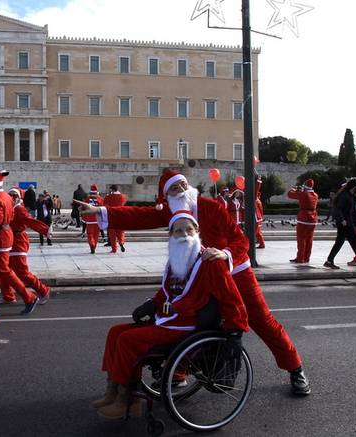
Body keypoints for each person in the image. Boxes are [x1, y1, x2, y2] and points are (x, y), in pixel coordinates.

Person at [78, 169, 311, 395]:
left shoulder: (212, 207)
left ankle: (295, 368)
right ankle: (177, 373)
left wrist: (225, 254)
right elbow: (138, 215)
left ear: (189, 187)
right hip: (199, 276)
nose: (179, 190)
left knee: (262, 319)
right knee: (190, 320)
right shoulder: (171, 212)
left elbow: (241, 241)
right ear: (166, 196)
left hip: (236, 272)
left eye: (182, 185)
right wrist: (99, 210)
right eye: (172, 189)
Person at [93, 214, 249, 419]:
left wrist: (235, 330)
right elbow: (167, 292)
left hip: (186, 324)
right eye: (178, 231)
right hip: (168, 319)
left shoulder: (210, 262)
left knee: (127, 340)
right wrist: (151, 304)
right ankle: (112, 390)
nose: (184, 235)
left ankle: (127, 399)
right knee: (115, 332)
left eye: (189, 230)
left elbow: (231, 298)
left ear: (197, 232)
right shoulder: (175, 260)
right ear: (171, 235)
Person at [0, 169, 40, 314]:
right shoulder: (4, 196)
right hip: (3, 236)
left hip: (2, 236)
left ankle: (29, 296)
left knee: (5, 270)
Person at [1, 187, 52, 304]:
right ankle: (8, 296)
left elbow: (31, 221)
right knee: (4, 270)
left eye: (15, 196)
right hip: (7, 241)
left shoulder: (19, 209)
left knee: (22, 272)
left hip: (18, 241)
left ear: (20, 198)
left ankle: (44, 290)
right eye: (10, 195)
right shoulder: (7, 208)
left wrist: (45, 230)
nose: (12, 197)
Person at [324, 178, 356, 270]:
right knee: (355, 243)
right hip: (345, 223)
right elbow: (338, 208)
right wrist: (342, 220)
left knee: (340, 243)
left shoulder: (352, 196)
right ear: (354, 187)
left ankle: (329, 261)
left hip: (349, 222)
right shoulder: (344, 196)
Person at [287, 179, 318, 264]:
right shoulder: (315, 195)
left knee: (301, 239)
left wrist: (293, 189)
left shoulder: (304, 194)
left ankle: (300, 258)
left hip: (304, 218)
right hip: (313, 219)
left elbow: (289, 194)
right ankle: (306, 257)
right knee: (309, 239)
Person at [103, 185, 127, 253]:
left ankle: (114, 249)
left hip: (112, 216)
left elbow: (104, 204)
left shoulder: (109, 197)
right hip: (121, 215)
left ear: (112, 189)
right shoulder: (123, 196)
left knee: (112, 233)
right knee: (121, 231)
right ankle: (121, 242)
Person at [83, 185, 104, 254]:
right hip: (98, 220)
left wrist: (84, 219)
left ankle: (91, 245)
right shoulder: (101, 199)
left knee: (90, 234)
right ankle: (94, 246)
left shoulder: (87, 199)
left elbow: (84, 209)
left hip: (89, 220)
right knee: (96, 234)